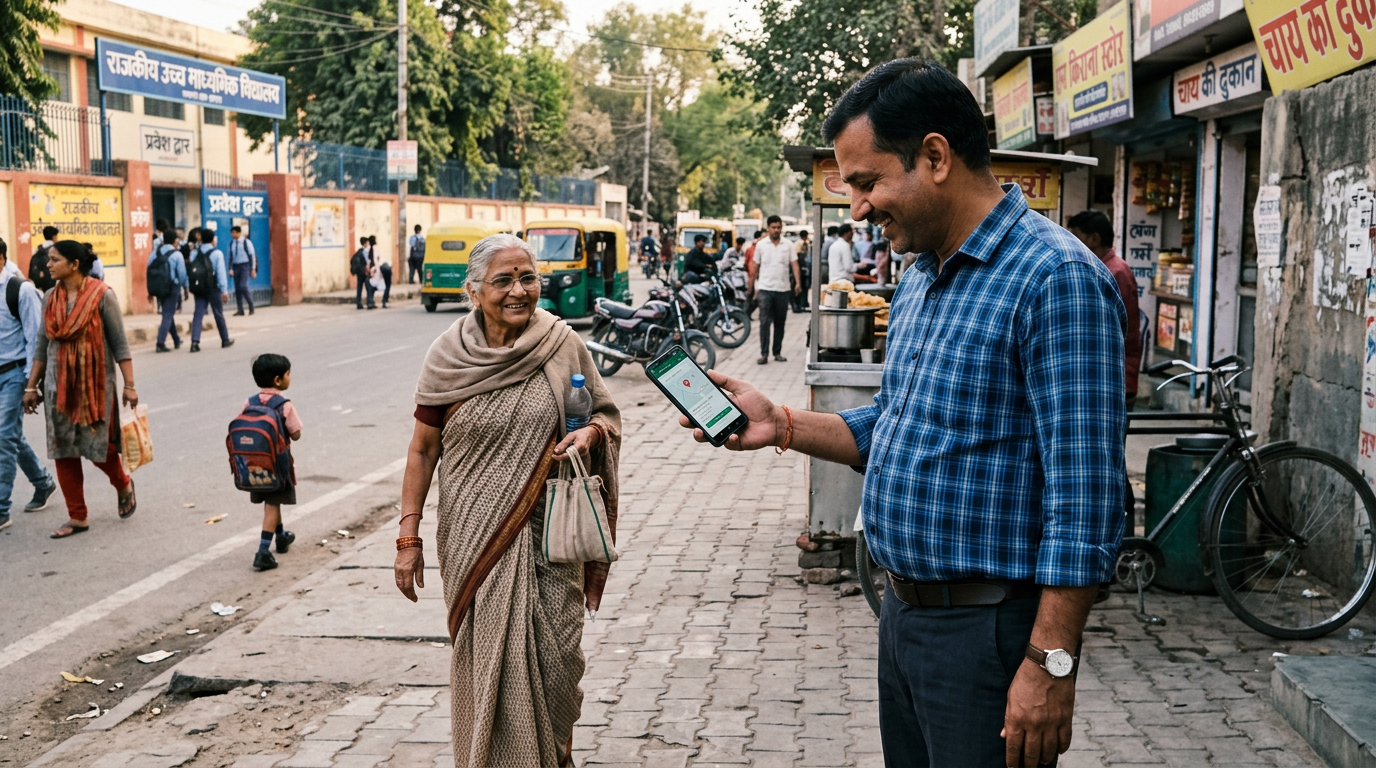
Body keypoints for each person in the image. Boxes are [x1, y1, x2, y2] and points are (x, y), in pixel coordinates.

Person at [677, 59, 1126, 768]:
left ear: (936, 156)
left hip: (992, 634)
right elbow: (895, 426)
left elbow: (1087, 498)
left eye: (866, 181)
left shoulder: (1057, 279)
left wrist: (1051, 663)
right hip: (903, 618)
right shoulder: (919, 279)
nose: (856, 207)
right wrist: (781, 426)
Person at [392, 233, 621, 767]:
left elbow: (604, 415)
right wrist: (408, 537)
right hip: (475, 541)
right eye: (503, 280)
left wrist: (589, 436)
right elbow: (423, 451)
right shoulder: (448, 356)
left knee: (558, 664)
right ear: (473, 291)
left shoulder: (562, 343)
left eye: (528, 277)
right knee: (488, 666)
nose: (519, 291)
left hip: (552, 537)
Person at [23, 240, 140, 538]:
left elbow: (120, 345)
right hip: (56, 387)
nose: (47, 265)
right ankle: (77, 516)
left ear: (75, 264)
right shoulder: (49, 297)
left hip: (95, 388)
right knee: (63, 450)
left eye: (54, 259)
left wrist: (130, 385)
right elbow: (41, 345)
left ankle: (122, 482)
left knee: (98, 447)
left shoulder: (103, 296)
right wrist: (31, 386)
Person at [0, 238, 58, 532]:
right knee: (9, 435)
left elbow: (37, 339)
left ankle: (0, 509)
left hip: (14, 375)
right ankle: (43, 482)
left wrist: (30, 385)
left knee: (2, 438)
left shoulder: (19, 290)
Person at [1067, 210, 1141, 408]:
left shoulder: (1116, 272)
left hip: (1113, 377)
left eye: (1075, 238)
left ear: (1094, 239)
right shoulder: (1097, 268)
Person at [244, 353, 299, 571]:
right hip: (277, 464)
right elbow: (296, 434)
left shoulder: (249, 402)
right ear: (278, 380)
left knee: (270, 501)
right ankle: (263, 551)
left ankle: (281, 535)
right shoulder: (284, 405)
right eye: (288, 374)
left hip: (254, 463)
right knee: (273, 503)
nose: (290, 377)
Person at [750, 216, 801, 365]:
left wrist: (798, 283)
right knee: (764, 322)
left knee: (780, 322)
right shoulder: (761, 245)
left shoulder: (788, 245)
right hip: (765, 288)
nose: (776, 230)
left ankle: (777, 352)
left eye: (779, 227)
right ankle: (764, 354)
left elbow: (794, 264)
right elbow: (754, 267)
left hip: (783, 289)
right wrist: (752, 287)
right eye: (773, 227)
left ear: (781, 228)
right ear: (768, 228)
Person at [188, 229, 234, 352]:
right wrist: (224, 290)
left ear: (201, 239)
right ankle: (225, 339)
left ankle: (194, 342)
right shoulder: (217, 253)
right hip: (213, 288)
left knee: (198, 314)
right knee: (218, 313)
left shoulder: (194, 253)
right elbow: (221, 273)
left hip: (199, 288)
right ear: (213, 239)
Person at [148, 228, 188, 353]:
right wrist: (185, 288)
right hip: (172, 287)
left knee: (167, 312)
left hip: (159, 287)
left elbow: (149, 270)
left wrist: (150, 290)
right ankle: (160, 342)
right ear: (175, 241)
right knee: (168, 314)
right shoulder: (177, 255)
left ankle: (176, 339)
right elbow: (182, 275)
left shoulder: (155, 253)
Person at [228, 225, 257, 317]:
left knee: (243, 286)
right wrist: (230, 268)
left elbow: (252, 255)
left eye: (234, 232)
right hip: (236, 266)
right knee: (237, 289)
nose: (233, 234)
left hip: (245, 265)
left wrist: (253, 268)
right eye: (232, 233)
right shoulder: (231, 243)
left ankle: (251, 306)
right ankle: (240, 309)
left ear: (239, 233)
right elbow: (230, 257)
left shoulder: (246, 242)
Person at [30, 226, 58, 292]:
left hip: (40, 285)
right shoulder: (56, 249)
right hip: (52, 283)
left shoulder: (38, 249)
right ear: (54, 237)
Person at [792, 230, 812, 313]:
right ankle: (801, 304)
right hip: (802, 268)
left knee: (801, 287)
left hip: (800, 268)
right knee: (803, 287)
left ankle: (801, 304)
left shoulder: (797, 243)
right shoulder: (802, 244)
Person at [370, 235, 391, 308]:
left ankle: (371, 301)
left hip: (376, 269)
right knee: (387, 285)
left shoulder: (369, 249)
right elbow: (377, 259)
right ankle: (385, 301)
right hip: (381, 268)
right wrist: (379, 270)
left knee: (374, 285)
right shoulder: (376, 248)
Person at [351, 237, 372, 310]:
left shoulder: (358, 252)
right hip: (364, 272)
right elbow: (367, 262)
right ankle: (369, 302)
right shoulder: (365, 252)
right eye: (367, 243)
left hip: (359, 273)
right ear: (365, 243)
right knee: (368, 287)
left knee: (359, 288)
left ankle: (359, 303)